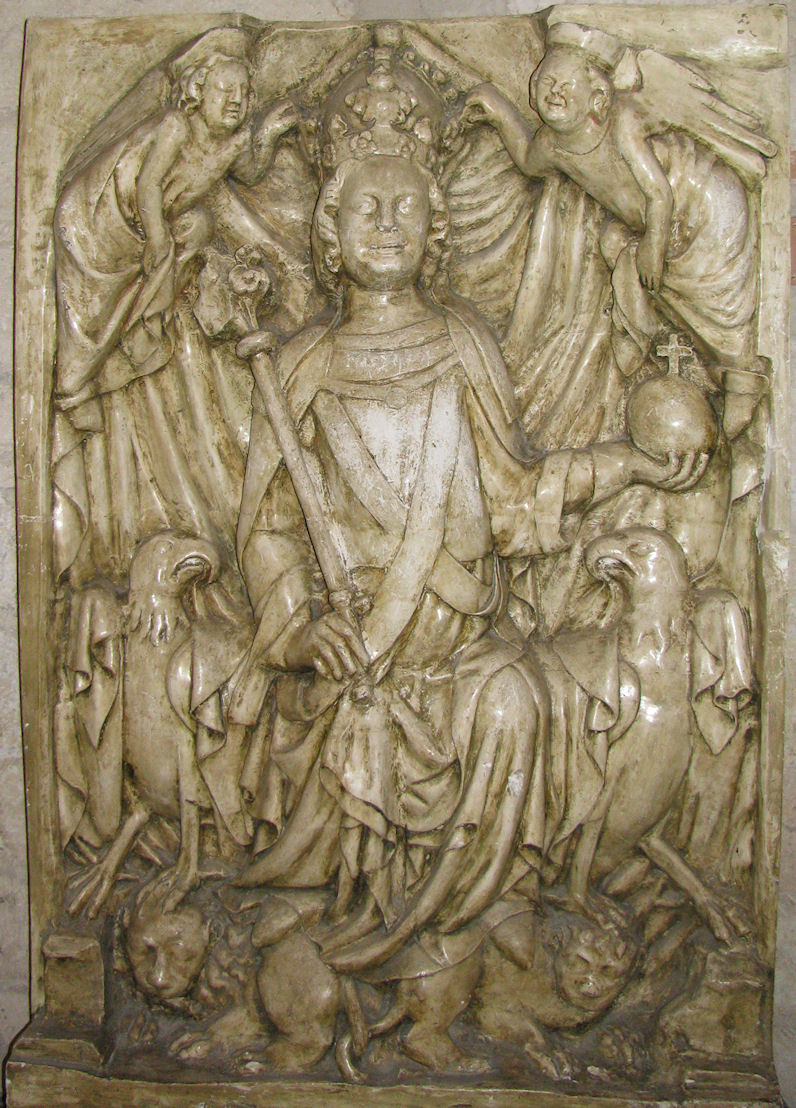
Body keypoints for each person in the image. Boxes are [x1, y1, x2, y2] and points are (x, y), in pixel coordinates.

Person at [231, 52, 707, 1068]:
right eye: (365, 206)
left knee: (514, 704)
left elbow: (517, 498)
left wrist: (630, 463)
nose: (387, 221)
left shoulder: (464, 347)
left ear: (436, 224)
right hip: (352, 667)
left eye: (406, 203)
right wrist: (301, 626)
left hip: (458, 653)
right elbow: (267, 528)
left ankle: (450, 975)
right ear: (329, 229)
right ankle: (348, 962)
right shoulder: (301, 366)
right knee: (349, 731)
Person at [454, 22, 771, 386]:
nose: (555, 92)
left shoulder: (622, 123)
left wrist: (653, 244)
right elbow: (527, 160)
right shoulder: (553, 144)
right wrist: (496, 109)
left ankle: (741, 382)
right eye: (547, 82)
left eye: (567, 85)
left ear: (598, 96)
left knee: (719, 310)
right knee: (625, 254)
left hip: (705, 206)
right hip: (660, 225)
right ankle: (694, 368)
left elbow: (659, 192)